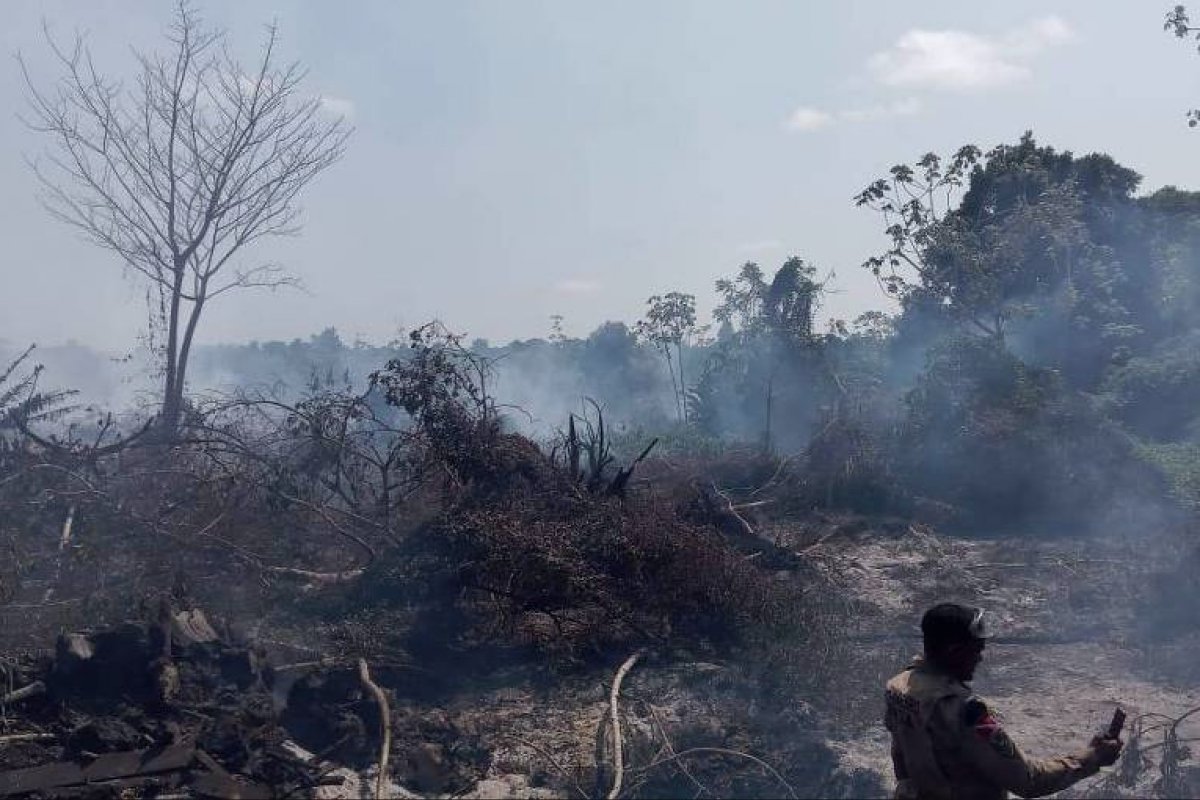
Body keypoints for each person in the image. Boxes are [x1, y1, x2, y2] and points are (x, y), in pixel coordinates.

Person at [883, 603, 1123, 800]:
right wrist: (1093, 757)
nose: (980, 658)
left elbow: (901, 761)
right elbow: (1028, 781)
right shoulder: (966, 712)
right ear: (954, 651)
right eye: (976, 650)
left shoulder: (899, 688)